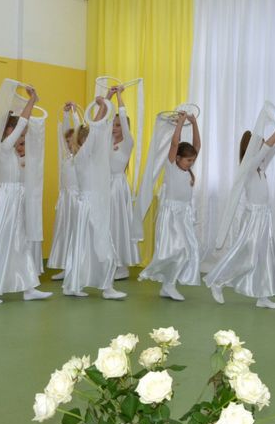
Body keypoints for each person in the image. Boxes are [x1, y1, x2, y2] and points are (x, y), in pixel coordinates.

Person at [0, 86, 52, 304]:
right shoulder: (4, 147)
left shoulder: (11, 152)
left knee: (18, 242)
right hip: (5, 200)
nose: (21, 137)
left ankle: (28, 287)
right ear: (8, 131)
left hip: (14, 199)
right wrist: (32, 101)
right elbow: (22, 123)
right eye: (18, 133)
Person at [206, 113, 275, 309]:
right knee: (245, 256)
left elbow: (274, 147)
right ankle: (218, 281)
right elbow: (267, 148)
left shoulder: (261, 167)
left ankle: (263, 296)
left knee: (264, 256)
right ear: (250, 149)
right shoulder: (248, 166)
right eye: (259, 146)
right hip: (252, 218)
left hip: (264, 217)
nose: (264, 148)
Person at [64, 97, 126, 300]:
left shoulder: (90, 157)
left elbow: (96, 131)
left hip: (93, 203)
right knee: (98, 245)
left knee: (89, 246)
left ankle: (77, 285)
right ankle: (105, 287)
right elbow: (95, 131)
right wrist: (105, 103)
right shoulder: (82, 156)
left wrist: (105, 102)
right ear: (84, 142)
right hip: (89, 205)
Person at [139, 110, 201, 301]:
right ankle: (168, 284)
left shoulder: (187, 169)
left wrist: (194, 123)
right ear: (178, 158)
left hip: (184, 214)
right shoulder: (172, 166)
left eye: (193, 160)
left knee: (187, 249)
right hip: (171, 214)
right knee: (176, 249)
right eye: (188, 160)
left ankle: (168, 285)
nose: (191, 163)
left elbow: (197, 145)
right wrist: (180, 123)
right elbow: (175, 143)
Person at [107, 86, 140, 280]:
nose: (114, 128)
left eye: (118, 125)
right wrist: (107, 97)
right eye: (113, 124)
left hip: (118, 187)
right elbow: (99, 121)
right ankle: (108, 261)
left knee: (118, 224)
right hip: (104, 185)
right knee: (106, 225)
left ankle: (121, 265)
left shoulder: (127, 142)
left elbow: (122, 114)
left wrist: (119, 96)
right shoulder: (106, 140)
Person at [47, 103, 82, 282]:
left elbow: (77, 129)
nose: (68, 144)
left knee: (77, 233)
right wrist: (66, 114)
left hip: (77, 199)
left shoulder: (81, 157)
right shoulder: (66, 157)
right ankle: (66, 266)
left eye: (71, 141)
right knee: (65, 232)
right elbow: (64, 133)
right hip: (66, 199)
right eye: (67, 142)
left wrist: (74, 115)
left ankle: (77, 267)